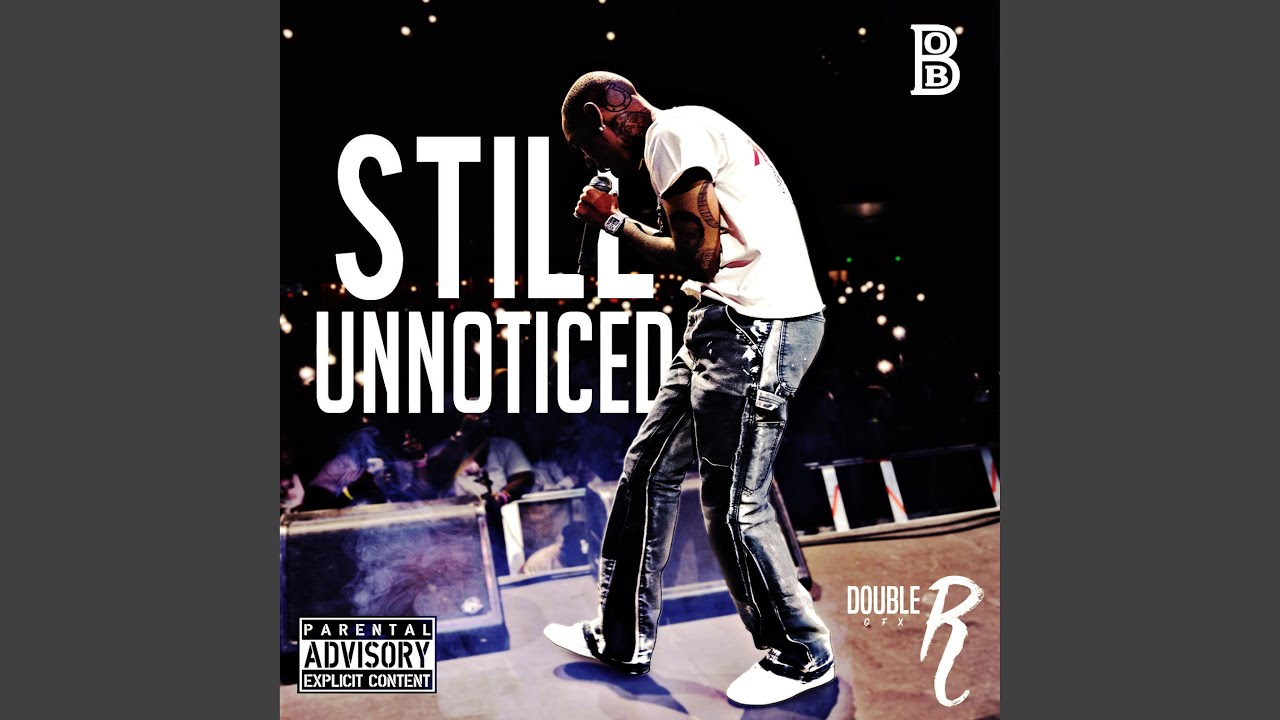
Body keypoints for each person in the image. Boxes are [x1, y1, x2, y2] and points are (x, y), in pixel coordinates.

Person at [542, 72, 834, 706]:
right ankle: (621, 636)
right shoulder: (684, 131)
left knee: (734, 503)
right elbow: (705, 256)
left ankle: (800, 652)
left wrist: (613, 223)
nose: (587, 160)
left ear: (600, 117)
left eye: (583, 145)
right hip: (722, 322)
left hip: (760, 326)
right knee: (646, 470)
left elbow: (697, 255)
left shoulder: (671, 135)